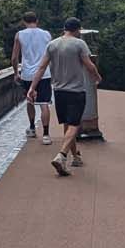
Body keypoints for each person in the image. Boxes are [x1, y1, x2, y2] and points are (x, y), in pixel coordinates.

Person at [28, 17, 102, 176]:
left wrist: (32, 88)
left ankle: (75, 157)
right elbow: (89, 64)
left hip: (59, 91)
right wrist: (97, 76)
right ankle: (61, 155)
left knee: (68, 124)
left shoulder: (52, 44)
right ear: (78, 30)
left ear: (64, 28)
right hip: (76, 90)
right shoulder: (79, 44)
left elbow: (41, 67)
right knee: (75, 125)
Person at [12, 12, 53, 144]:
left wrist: (16, 73)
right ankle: (46, 134)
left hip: (27, 74)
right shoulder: (47, 34)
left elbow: (14, 58)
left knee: (30, 101)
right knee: (44, 103)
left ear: (24, 21)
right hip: (44, 74)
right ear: (37, 20)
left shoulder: (20, 35)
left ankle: (31, 128)